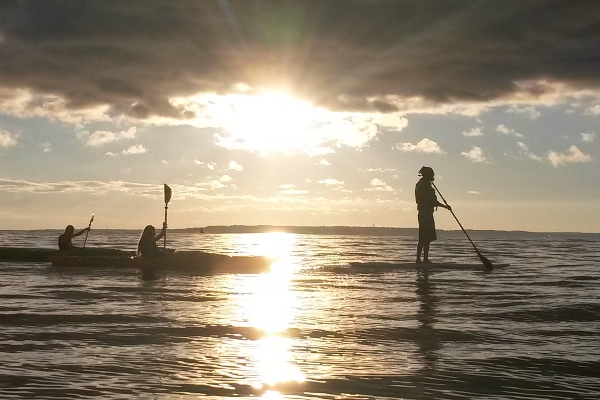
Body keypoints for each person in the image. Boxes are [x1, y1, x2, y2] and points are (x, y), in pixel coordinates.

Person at [415, 166, 451, 263]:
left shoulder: (426, 185)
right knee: (423, 237)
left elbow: (433, 201)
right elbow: (431, 201)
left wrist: (444, 206)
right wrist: (445, 206)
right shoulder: (422, 185)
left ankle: (425, 259)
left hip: (428, 213)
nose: (433, 176)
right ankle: (419, 259)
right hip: (424, 213)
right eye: (431, 175)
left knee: (427, 238)